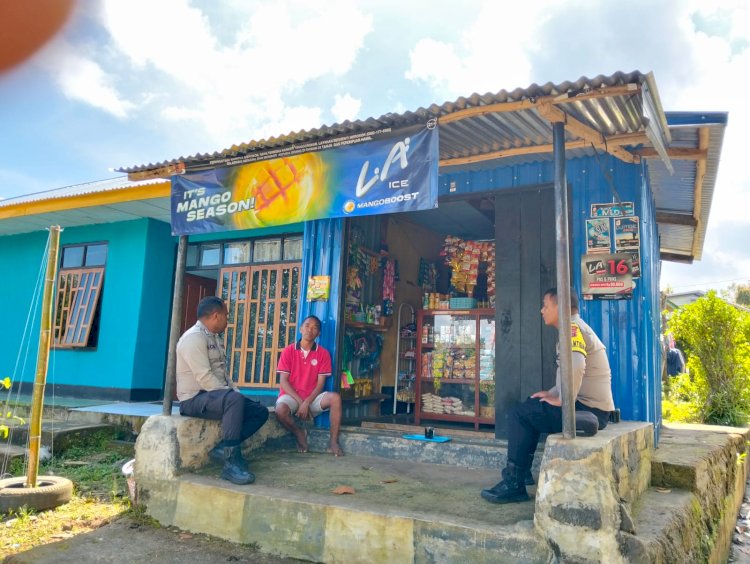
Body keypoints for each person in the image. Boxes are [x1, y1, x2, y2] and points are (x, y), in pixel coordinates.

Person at [481, 288, 615, 504]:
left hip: (587, 410)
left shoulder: (571, 330)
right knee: (531, 405)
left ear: (559, 307)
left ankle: (514, 483)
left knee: (518, 414)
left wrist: (563, 400)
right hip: (587, 406)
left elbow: (578, 365)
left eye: (545, 305)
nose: (541, 310)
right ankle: (522, 473)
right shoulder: (574, 328)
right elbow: (570, 372)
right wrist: (552, 393)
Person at [176, 296, 269, 485]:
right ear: (216, 316)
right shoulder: (193, 338)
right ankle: (230, 463)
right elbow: (205, 378)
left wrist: (235, 393)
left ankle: (223, 448)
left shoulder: (214, 338)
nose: (228, 320)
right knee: (234, 400)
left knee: (260, 411)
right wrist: (232, 397)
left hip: (214, 395)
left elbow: (223, 374)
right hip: (194, 399)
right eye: (226, 316)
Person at [275, 315, 344, 456]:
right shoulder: (288, 351)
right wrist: (301, 403)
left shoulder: (323, 354)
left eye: (314, 328)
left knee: (335, 398)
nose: (310, 330)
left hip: (312, 398)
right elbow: (283, 382)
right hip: (292, 397)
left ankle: (333, 442)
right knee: (280, 410)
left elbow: (320, 384)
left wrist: (307, 402)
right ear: (300, 329)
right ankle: (299, 433)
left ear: (318, 333)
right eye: (307, 325)